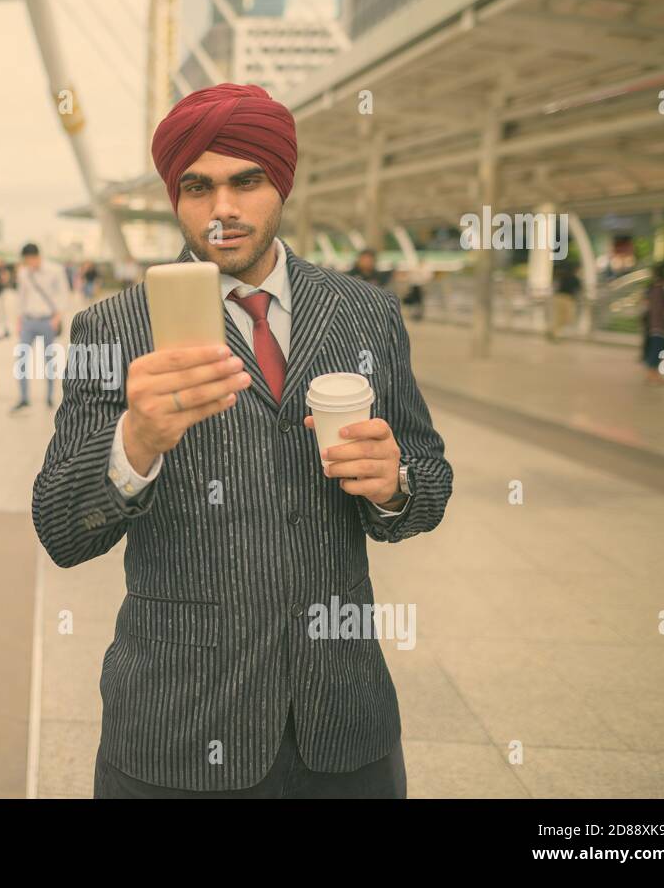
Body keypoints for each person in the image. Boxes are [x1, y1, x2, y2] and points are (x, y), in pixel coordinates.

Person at [32, 83, 452, 799]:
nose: (222, 208)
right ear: (175, 197)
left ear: (279, 184)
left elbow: (430, 480)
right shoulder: (113, 329)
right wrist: (134, 442)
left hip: (344, 723)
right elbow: (62, 528)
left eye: (244, 181)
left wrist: (395, 484)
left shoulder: (365, 313)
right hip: (178, 727)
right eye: (197, 187)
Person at [10, 243, 67, 413]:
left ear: (37, 257)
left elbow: (64, 293)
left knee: (48, 359)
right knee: (21, 358)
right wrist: (19, 319)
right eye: (26, 260)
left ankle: (49, 396)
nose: (29, 263)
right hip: (28, 320)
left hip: (47, 320)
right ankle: (24, 398)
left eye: (30, 259)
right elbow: (21, 296)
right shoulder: (23, 273)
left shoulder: (54, 270)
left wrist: (57, 317)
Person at [547, 260, 581, 342]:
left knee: (560, 317)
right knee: (564, 318)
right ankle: (555, 334)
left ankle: (553, 331)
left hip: (559, 298)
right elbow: (579, 289)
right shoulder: (574, 279)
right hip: (566, 299)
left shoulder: (563, 276)